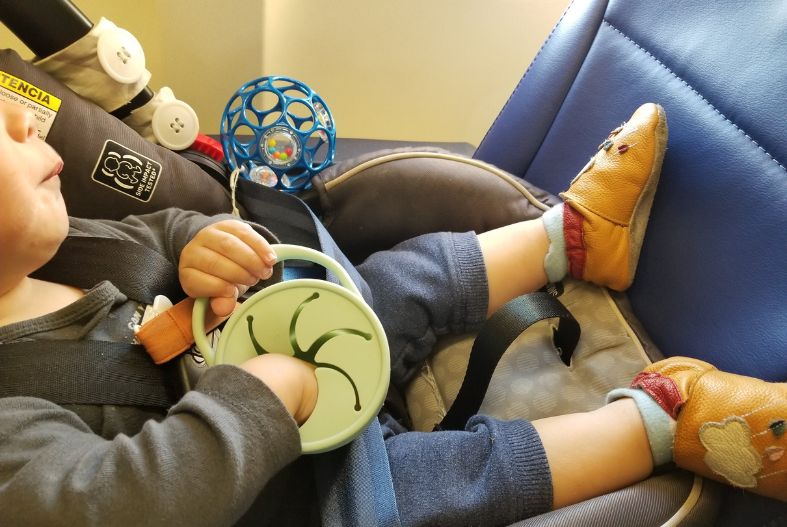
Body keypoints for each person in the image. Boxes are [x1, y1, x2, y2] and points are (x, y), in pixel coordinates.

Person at [0, 98, 783, 527]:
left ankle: (569, 238)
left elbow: (157, 232)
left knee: (392, 282)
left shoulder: (64, 246)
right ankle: (668, 423)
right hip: (299, 494)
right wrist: (262, 393)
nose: (25, 115)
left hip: (306, 355)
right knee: (448, 482)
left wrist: (203, 241)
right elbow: (115, 504)